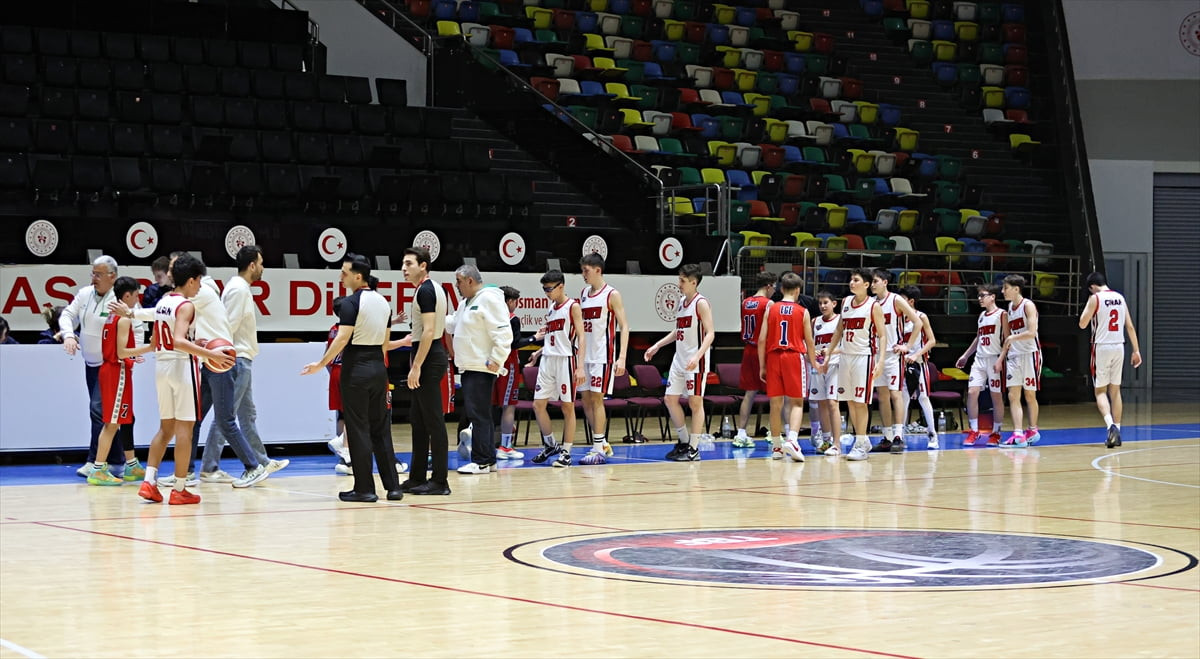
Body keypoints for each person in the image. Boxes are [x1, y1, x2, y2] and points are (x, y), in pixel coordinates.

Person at [302, 254, 403, 502]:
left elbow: (342, 338)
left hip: (356, 367)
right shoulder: (383, 302)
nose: (341, 276)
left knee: (357, 429)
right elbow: (385, 342)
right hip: (378, 368)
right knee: (381, 429)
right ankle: (394, 487)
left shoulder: (350, 303)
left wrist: (321, 363)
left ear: (358, 276)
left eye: (344, 273)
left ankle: (364, 489)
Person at [138, 254, 235, 505]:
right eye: (199, 281)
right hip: (182, 367)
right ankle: (180, 488)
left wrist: (196, 343)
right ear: (191, 280)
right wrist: (209, 353)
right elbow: (178, 340)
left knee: (165, 427)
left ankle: (149, 481)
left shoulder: (162, 302)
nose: (200, 286)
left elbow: (161, 341)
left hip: (161, 367)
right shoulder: (186, 305)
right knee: (185, 430)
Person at [201, 245, 286, 484]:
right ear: (251, 265)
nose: (262, 267)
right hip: (236, 358)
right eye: (260, 263)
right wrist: (225, 357)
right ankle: (210, 467)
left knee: (247, 415)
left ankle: (262, 461)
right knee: (225, 416)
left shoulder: (240, 288)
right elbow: (228, 325)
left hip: (242, 357)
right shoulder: (238, 290)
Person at [60, 255, 141, 478]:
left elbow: (138, 326)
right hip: (92, 365)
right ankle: (118, 462)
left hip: (114, 366)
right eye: (93, 273)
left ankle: (99, 463)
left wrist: (135, 355)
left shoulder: (122, 301)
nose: (93, 278)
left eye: (98, 274)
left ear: (112, 277)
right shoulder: (85, 294)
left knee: (111, 415)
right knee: (110, 416)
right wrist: (69, 335)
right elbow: (67, 314)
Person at [393, 247, 452, 496]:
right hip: (427, 353)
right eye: (403, 264)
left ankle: (440, 481)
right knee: (418, 420)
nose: (404, 268)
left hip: (428, 356)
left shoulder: (427, 290)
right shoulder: (431, 288)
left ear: (423, 265)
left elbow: (429, 332)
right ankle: (417, 477)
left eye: (409, 263)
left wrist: (416, 365)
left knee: (433, 421)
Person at [643, 264, 715, 462]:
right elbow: (678, 331)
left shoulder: (701, 303)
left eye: (683, 281)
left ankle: (694, 448)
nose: (679, 284)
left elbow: (710, 333)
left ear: (694, 282)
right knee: (669, 399)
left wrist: (698, 356)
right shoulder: (683, 302)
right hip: (679, 359)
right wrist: (657, 345)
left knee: (695, 402)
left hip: (695, 361)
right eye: (679, 279)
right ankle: (684, 442)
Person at [88, 276, 155, 485]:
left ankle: (131, 465)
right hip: (117, 372)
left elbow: (119, 350)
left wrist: (134, 355)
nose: (138, 299)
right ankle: (98, 469)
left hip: (114, 369)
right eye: (136, 295)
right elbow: (121, 351)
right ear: (127, 295)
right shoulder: (124, 319)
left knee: (122, 419)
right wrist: (149, 347)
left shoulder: (111, 316)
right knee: (112, 423)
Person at [447, 265, 513, 474]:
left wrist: (497, 358)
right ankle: (489, 460)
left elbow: (503, 332)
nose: (456, 286)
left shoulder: (490, 298)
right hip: (469, 367)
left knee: (479, 415)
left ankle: (482, 460)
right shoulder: (466, 302)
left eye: (458, 281)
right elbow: (453, 325)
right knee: (478, 414)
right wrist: (435, 314)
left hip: (482, 367)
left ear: (469, 281)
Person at [820, 268, 887, 461]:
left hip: (863, 357)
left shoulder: (874, 306)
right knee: (849, 401)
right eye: (851, 279)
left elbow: (882, 336)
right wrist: (829, 353)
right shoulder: (846, 302)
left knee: (860, 402)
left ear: (866, 285)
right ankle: (862, 439)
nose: (851, 282)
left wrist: (880, 361)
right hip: (845, 357)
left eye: (856, 280)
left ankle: (860, 444)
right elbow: (839, 330)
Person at [576, 253, 631, 465]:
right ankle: (602, 442)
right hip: (585, 356)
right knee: (586, 400)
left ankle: (598, 448)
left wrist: (622, 357)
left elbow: (624, 325)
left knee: (597, 399)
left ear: (598, 270)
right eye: (582, 270)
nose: (583, 274)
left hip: (602, 356)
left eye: (586, 270)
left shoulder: (612, 294)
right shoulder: (583, 293)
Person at [528, 270, 587, 468]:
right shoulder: (552, 308)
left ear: (561, 286)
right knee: (538, 405)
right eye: (544, 289)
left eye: (549, 288)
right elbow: (553, 338)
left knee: (567, 407)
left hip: (566, 361)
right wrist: (537, 354)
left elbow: (582, 337)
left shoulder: (573, 307)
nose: (546, 292)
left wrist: (580, 367)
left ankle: (567, 452)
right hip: (548, 359)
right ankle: (551, 444)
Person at [1078, 271, 1142, 448]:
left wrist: (1089, 308)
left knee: (1100, 391)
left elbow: (1082, 323)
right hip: (1119, 346)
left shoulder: (1096, 298)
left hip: (1102, 346)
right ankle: (1118, 430)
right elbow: (1129, 325)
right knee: (1115, 391)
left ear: (1092, 287)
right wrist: (1136, 350)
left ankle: (1110, 426)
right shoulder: (1120, 297)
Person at [757, 272, 817, 461]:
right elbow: (809, 341)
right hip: (793, 356)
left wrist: (762, 366)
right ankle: (791, 440)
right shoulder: (803, 311)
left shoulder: (771, 308)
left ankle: (776, 447)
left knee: (776, 404)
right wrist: (815, 363)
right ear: (798, 290)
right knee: (797, 402)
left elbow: (761, 340)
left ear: (782, 289)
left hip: (773, 356)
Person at [868, 269, 923, 454]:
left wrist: (907, 345)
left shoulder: (896, 300)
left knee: (895, 394)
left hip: (893, 355)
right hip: (877, 355)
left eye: (875, 281)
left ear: (884, 282)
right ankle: (888, 437)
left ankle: (899, 435)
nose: (872, 284)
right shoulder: (872, 303)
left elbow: (918, 322)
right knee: (882, 397)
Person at [955, 284, 1008, 447]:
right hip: (979, 359)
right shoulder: (981, 316)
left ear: (992, 296)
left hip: (994, 358)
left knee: (996, 397)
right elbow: (978, 338)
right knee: (972, 392)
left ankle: (996, 432)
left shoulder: (1002, 315)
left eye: (982, 295)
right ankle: (974, 430)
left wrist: (1001, 359)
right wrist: (965, 355)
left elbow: (1008, 339)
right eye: (978, 296)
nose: (979, 299)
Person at [996, 274, 1042, 448]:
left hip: (1030, 354)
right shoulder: (1010, 307)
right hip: (1015, 355)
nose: (1003, 291)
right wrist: (1003, 355)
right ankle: (1017, 434)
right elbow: (1009, 338)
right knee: (1013, 395)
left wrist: (1011, 339)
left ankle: (1032, 429)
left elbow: (1032, 332)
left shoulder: (1028, 305)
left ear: (1016, 289)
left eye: (1005, 288)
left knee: (1030, 395)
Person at [493, 286, 538, 460]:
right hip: (507, 364)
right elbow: (515, 343)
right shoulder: (512, 319)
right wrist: (535, 338)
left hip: (493, 364)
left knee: (494, 406)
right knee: (509, 406)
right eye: (515, 302)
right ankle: (505, 446)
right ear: (510, 301)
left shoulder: (492, 318)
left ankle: (485, 442)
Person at [733, 271, 774, 448]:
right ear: (769, 286)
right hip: (762, 350)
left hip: (748, 350)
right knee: (774, 394)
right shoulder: (769, 304)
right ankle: (775, 432)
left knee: (749, 394)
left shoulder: (745, 302)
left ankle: (741, 433)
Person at [897, 286, 940, 450]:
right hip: (901, 364)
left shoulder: (921, 317)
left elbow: (931, 341)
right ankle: (899, 436)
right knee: (903, 399)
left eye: (902, 299)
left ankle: (933, 435)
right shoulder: (899, 319)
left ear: (911, 301)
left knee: (923, 398)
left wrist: (916, 355)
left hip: (919, 363)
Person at [809, 290, 841, 456]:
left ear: (834, 304)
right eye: (820, 303)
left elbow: (846, 347)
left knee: (832, 403)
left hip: (835, 366)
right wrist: (813, 352)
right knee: (821, 403)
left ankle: (837, 443)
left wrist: (829, 352)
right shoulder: (814, 322)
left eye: (825, 303)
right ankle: (827, 440)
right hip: (818, 367)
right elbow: (809, 344)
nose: (822, 306)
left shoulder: (840, 321)